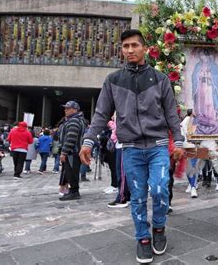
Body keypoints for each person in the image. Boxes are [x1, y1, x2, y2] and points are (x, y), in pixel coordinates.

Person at [79, 29, 184, 264]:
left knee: (159, 189)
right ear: (122, 50)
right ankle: (143, 238)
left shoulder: (160, 79)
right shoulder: (113, 81)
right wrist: (88, 140)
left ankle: (159, 228)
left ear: (144, 48)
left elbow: (171, 114)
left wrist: (178, 140)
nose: (130, 50)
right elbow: (100, 113)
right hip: (130, 148)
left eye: (134, 45)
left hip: (157, 146)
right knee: (137, 196)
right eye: (125, 46)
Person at [58, 100, 87, 201]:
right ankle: (72, 191)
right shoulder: (76, 119)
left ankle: (74, 192)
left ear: (75, 109)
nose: (65, 110)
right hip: (74, 152)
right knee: (71, 172)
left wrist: (64, 152)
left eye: (68, 108)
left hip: (72, 152)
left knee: (72, 173)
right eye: (65, 108)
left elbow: (71, 138)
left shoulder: (74, 120)